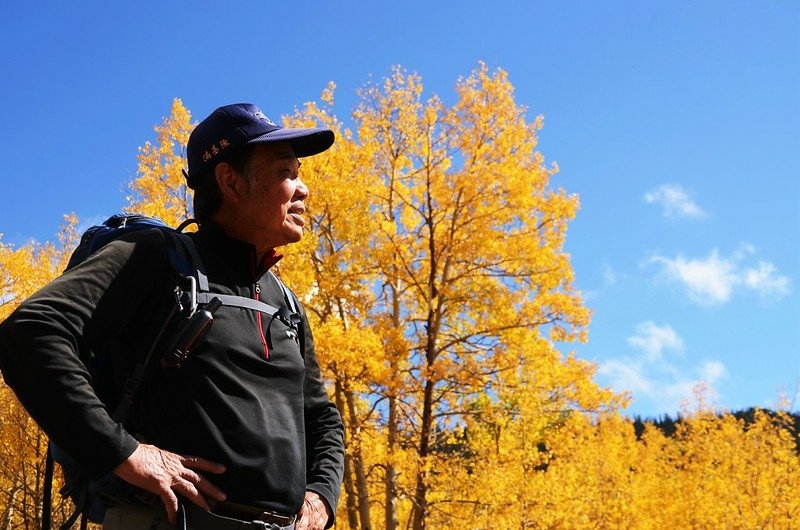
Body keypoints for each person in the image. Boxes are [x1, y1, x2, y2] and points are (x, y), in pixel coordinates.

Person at [0, 103, 345, 530]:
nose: (302, 189)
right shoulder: (158, 258)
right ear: (230, 181)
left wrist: (322, 496)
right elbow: (31, 332)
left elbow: (321, 418)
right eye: (284, 173)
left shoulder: (285, 303)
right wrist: (124, 453)